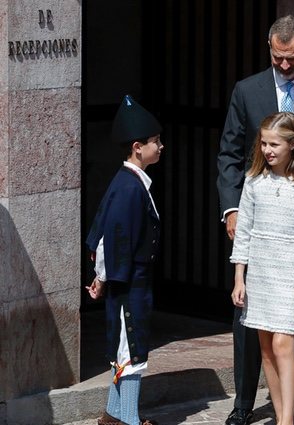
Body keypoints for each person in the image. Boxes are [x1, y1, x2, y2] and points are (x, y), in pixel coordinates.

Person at [216, 15, 294, 425]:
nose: (284, 65)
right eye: (277, 57)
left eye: (291, 58)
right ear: (269, 49)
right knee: (250, 322)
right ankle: (243, 404)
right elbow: (230, 154)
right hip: (257, 223)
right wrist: (233, 208)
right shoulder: (247, 91)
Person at [230, 112, 294, 425]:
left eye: (275, 144)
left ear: (293, 144)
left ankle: (286, 420)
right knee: (267, 348)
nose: (268, 150)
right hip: (260, 273)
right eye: (264, 143)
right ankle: (282, 412)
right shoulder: (254, 182)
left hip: (292, 274)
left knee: (284, 344)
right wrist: (239, 277)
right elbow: (243, 233)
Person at [85, 95, 164, 425]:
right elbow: (111, 239)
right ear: (137, 147)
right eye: (156, 142)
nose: (160, 147)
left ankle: (113, 417)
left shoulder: (130, 183)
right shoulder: (130, 188)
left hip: (131, 284)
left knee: (124, 353)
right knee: (130, 354)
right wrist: (103, 278)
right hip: (128, 285)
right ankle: (129, 420)